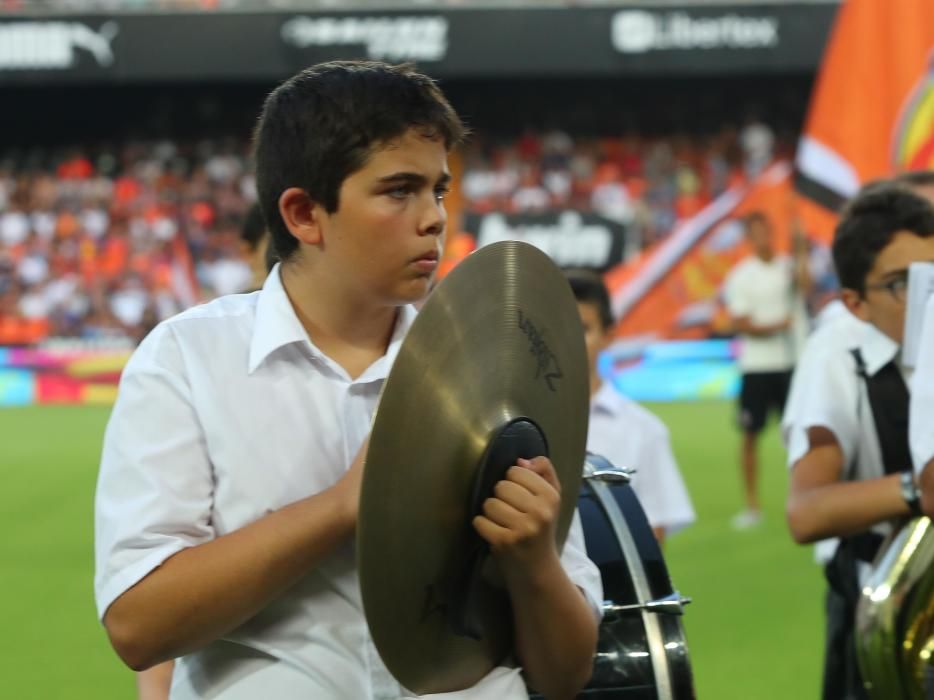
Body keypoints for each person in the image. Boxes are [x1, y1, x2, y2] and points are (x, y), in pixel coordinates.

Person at [94, 61, 601, 700]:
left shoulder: (495, 365)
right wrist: (341, 507)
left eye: (438, 190)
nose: (434, 218)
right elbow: (138, 625)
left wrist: (533, 566)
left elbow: (566, 676)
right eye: (399, 191)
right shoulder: (186, 359)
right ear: (305, 214)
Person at [784, 184, 934, 699]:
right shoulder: (837, 355)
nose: (925, 298)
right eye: (900, 283)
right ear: (854, 302)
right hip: (887, 607)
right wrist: (916, 491)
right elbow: (805, 511)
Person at [567, 269, 695, 545]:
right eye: (560, 327)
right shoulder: (519, 422)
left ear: (608, 335)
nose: (570, 340)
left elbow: (652, 536)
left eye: (584, 329)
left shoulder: (644, 430)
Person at [722, 211, 810, 528]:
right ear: (749, 237)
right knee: (750, 435)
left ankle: (804, 497)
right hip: (757, 366)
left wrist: (801, 250)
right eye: (754, 232)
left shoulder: (789, 266)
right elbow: (741, 323)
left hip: (790, 364)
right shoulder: (741, 276)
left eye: (765, 231)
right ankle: (751, 505)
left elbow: (806, 286)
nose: (761, 237)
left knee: (799, 435)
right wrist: (777, 326)